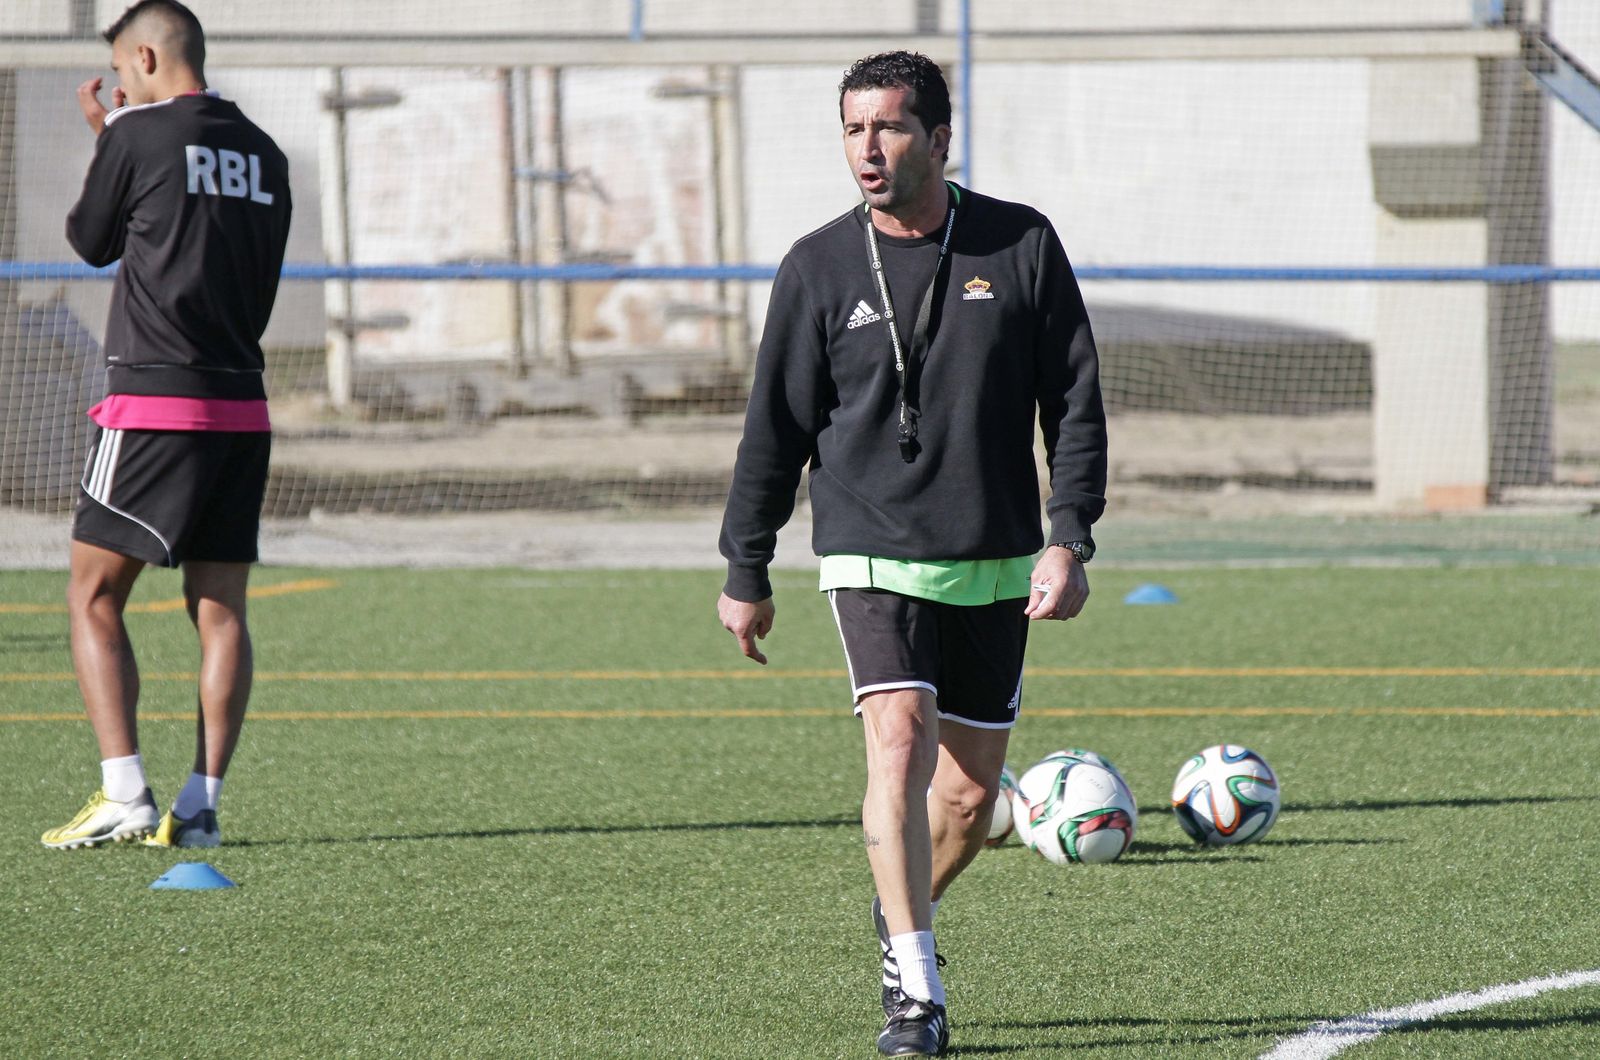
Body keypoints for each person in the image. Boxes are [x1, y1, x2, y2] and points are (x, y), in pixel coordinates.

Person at [716, 51, 1106, 1057]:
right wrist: (745, 567)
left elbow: (1073, 404)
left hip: (994, 553)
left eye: (888, 128)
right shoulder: (816, 265)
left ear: (938, 138)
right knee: (899, 738)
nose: (868, 149)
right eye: (852, 130)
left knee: (971, 799)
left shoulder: (1018, 243)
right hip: (866, 545)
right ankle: (916, 997)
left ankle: (901, 916)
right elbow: (774, 429)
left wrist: (1068, 537)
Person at [40, 0, 292, 851]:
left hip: (153, 406)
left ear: (144, 57)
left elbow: (89, 242)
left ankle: (125, 793)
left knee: (92, 594)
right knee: (219, 607)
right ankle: (202, 806)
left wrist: (111, 138)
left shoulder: (137, 136)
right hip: (242, 409)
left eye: (121, 70)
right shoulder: (266, 153)